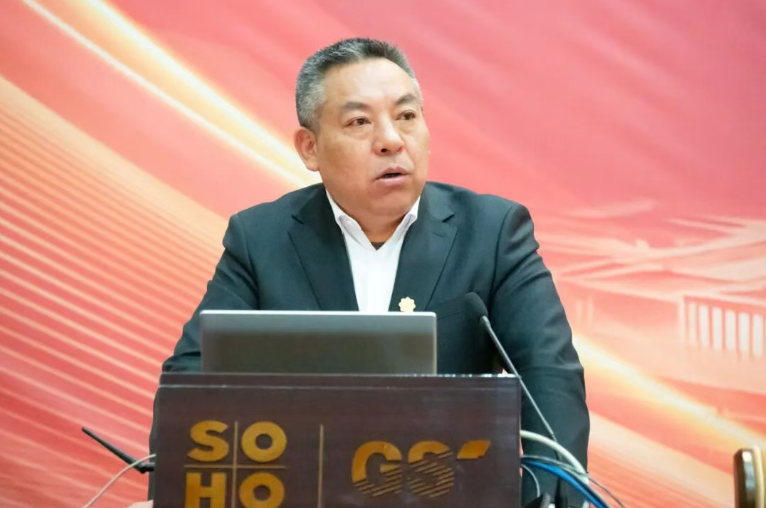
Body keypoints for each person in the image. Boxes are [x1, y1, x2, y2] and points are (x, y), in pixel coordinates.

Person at [128, 38, 589, 507]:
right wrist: (176, 495)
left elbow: (548, 373)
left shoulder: (492, 232)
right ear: (310, 148)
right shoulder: (261, 239)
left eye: (406, 116)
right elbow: (193, 379)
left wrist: (551, 501)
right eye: (359, 122)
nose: (391, 140)